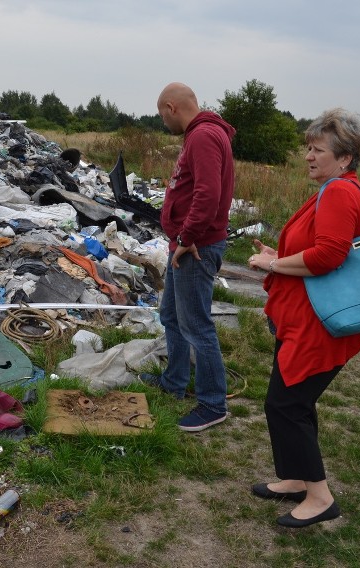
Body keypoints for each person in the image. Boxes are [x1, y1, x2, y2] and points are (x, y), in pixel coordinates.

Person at [247, 108, 360, 527]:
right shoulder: (334, 188)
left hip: (318, 324)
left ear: (345, 158)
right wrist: (278, 257)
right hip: (307, 318)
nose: (308, 156)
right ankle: (296, 478)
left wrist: (274, 266)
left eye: (318, 149)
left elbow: (328, 256)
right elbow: (319, 249)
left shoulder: (339, 192)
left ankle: (320, 498)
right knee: (293, 402)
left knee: (286, 405)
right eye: (308, 148)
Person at [151, 82, 236, 432]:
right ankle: (174, 382)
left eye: (162, 115)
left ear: (172, 107)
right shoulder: (203, 134)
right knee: (171, 314)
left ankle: (213, 403)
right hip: (185, 245)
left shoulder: (202, 136)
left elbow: (208, 192)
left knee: (196, 324)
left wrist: (187, 236)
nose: (163, 123)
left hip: (195, 248)